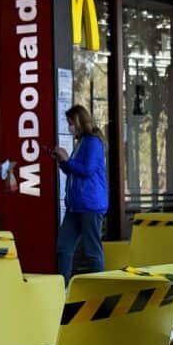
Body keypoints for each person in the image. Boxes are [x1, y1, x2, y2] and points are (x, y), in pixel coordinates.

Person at [54, 104, 108, 280]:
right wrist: (63, 161)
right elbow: (73, 170)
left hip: (90, 205)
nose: (69, 127)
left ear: (78, 122)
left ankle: (99, 292)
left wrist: (66, 160)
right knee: (64, 247)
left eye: (71, 122)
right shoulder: (81, 142)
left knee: (92, 251)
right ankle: (63, 288)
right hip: (75, 206)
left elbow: (87, 170)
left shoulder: (93, 142)